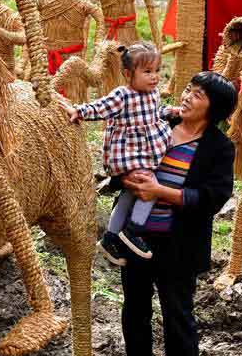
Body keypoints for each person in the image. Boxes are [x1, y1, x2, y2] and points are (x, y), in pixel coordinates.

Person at [116, 71, 237, 356]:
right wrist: (127, 177)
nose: (186, 97)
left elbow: (212, 197)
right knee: (134, 313)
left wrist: (161, 192)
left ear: (215, 108)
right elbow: (123, 152)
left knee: (178, 317)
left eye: (198, 95)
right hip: (135, 239)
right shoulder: (158, 124)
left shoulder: (218, 147)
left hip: (179, 247)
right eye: (187, 89)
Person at [61, 42, 178, 264]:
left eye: (157, 71)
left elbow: (152, 115)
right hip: (129, 153)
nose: (154, 77)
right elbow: (100, 107)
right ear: (127, 74)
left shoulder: (152, 93)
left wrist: (168, 111)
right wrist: (79, 110)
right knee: (148, 187)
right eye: (147, 72)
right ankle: (133, 230)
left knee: (128, 194)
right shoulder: (122, 95)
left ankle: (110, 237)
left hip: (146, 151)